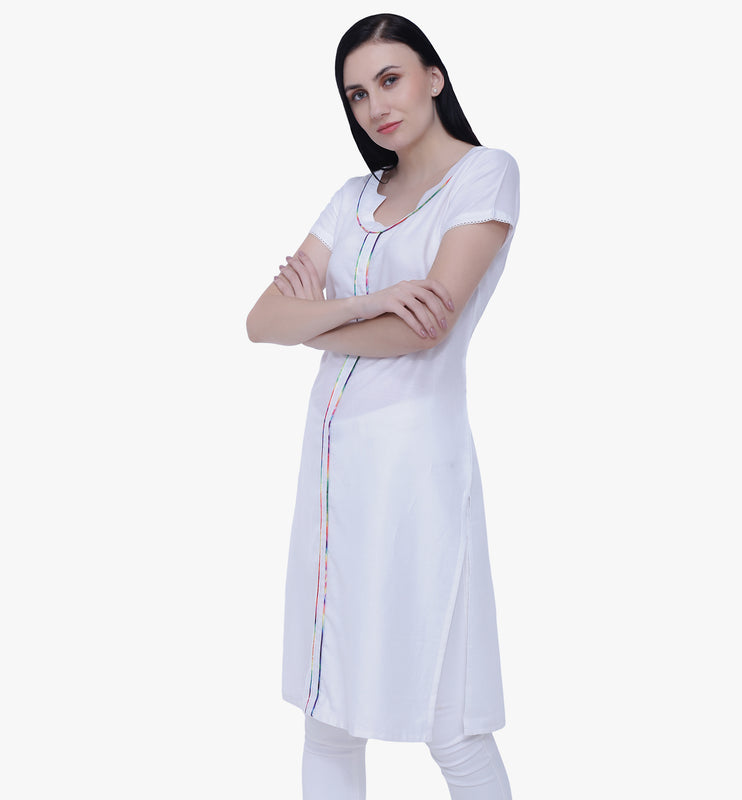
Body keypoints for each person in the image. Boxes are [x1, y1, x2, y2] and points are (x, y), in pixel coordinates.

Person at [247, 13, 520, 799]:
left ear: (435, 76)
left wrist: (315, 319)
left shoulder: (485, 175)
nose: (375, 105)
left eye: (390, 80)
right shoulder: (352, 197)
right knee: (328, 716)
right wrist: (369, 303)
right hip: (333, 473)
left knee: (452, 723)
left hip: (415, 469)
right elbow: (260, 320)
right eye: (357, 94)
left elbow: (422, 332)